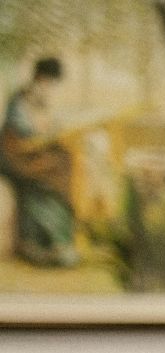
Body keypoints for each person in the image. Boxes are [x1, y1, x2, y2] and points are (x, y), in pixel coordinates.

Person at [1, 57, 79, 268]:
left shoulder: (39, 101)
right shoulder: (18, 101)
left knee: (64, 161)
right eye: (47, 83)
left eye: (52, 84)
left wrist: (52, 131)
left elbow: (45, 129)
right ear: (38, 79)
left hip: (32, 154)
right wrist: (44, 132)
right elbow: (22, 135)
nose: (49, 88)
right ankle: (36, 244)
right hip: (15, 158)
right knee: (48, 174)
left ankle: (60, 243)